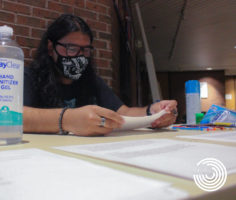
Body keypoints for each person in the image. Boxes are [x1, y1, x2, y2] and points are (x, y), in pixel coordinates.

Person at [23, 14, 177, 136]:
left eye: (86, 50)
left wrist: (153, 112)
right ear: (51, 48)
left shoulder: (91, 81)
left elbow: (123, 113)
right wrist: (67, 119)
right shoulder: (29, 77)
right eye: (71, 48)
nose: (80, 56)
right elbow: (14, 115)